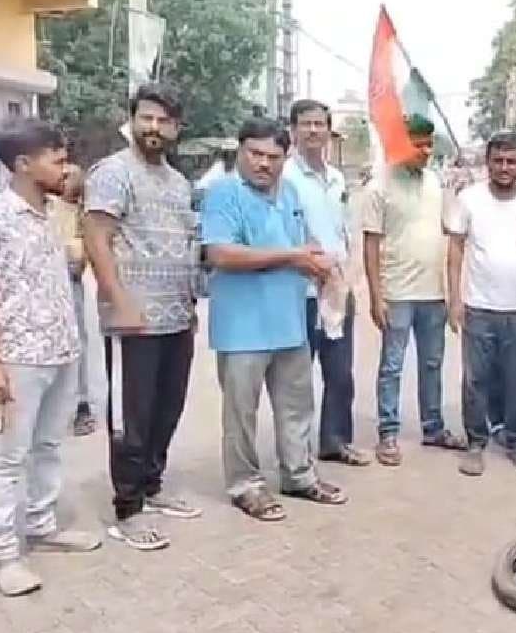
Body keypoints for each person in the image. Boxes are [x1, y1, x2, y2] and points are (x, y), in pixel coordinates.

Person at [0, 119, 101, 596]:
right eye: (57, 160)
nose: (67, 167)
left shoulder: (50, 213)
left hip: (61, 351)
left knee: (49, 446)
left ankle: (42, 524)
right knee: (9, 456)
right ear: (23, 164)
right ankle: (3, 554)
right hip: (17, 356)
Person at [202, 118, 347, 522]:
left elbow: (300, 242)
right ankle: (245, 485)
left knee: (297, 407)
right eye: (256, 154)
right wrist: (292, 257)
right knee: (241, 414)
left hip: (289, 322)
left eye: (273, 156)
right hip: (241, 329)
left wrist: (318, 259)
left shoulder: (291, 193)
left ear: (286, 158)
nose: (264, 164)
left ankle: (298, 475)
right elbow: (221, 254)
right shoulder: (223, 194)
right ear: (240, 152)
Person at [84, 85, 201, 551]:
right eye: (146, 118)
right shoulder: (112, 173)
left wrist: (190, 304)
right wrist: (119, 299)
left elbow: (185, 246)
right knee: (130, 418)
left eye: (164, 121)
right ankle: (127, 508)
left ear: (176, 128)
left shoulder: (178, 182)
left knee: (166, 410)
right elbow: (96, 237)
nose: (154, 128)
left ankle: (152, 488)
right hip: (133, 321)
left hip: (176, 316)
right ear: (132, 120)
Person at [361, 114, 466, 466]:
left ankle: (433, 427)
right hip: (397, 293)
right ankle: (388, 433)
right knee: (392, 365)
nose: (425, 150)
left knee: (433, 363)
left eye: (428, 143)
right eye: (417, 143)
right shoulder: (379, 186)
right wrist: (376, 296)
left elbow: (452, 232)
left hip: (432, 293)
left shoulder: (436, 183)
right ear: (400, 143)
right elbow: (371, 245)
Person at [446, 134, 516, 476]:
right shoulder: (469, 199)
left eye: (511, 161)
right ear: (487, 163)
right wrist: (455, 299)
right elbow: (457, 249)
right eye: (498, 161)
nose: (505, 168)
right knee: (476, 380)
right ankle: (476, 443)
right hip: (478, 307)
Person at [283, 99, 368, 467]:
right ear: (293, 131)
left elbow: (343, 232)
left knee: (340, 374)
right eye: (306, 124)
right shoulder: (284, 177)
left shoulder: (336, 179)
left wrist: (349, 277)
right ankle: (295, 453)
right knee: (296, 377)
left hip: (335, 290)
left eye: (320, 124)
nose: (314, 131)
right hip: (298, 290)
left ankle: (335, 442)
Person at [50, 163, 96, 436]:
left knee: (77, 341)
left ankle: (82, 405)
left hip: (69, 279)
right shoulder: (46, 207)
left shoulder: (84, 213)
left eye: (71, 177)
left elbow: (82, 254)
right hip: (43, 278)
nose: (64, 180)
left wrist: (76, 256)